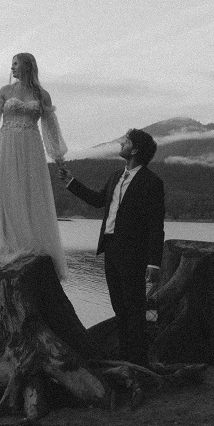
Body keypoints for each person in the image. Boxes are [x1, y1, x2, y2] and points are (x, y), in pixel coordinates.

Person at [0, 53, 68, 282]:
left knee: (28, 192)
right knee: (5, 191)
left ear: (27, 65)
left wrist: (57, 155)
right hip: (6, 145)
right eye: (12, 64)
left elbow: (50, 126)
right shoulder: (5, 91)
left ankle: (27, 242)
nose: (12, 68)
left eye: (15, 64)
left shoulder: (42, 94)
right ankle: (3, 242)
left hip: (31, 148)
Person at [58, 129, 164, 367]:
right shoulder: (116, 175)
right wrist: (71, 183)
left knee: (134, 308)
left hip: (134, 254)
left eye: (126, 141)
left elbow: (156, 225)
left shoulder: (152, 182)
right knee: (119, 307)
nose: (121, 144)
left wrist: (154, 262)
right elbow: (98, 200)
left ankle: (138, 362)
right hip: (110, 249)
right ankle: (124, 358)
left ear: (135, 150)